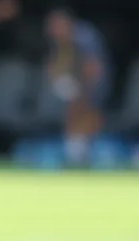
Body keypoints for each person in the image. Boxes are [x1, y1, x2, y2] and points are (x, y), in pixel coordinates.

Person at [43, 4, 106, 163]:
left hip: (95, 81)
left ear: (65, 23)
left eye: (54, 25)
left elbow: (93, 69)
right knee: (71, 110)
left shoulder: (84, 37)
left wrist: (84, 95)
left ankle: (86, 153)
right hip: (75, 81)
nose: (51, 30)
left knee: (86, 111)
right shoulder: (56, 40)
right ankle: (74, 150)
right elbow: (53, 66)